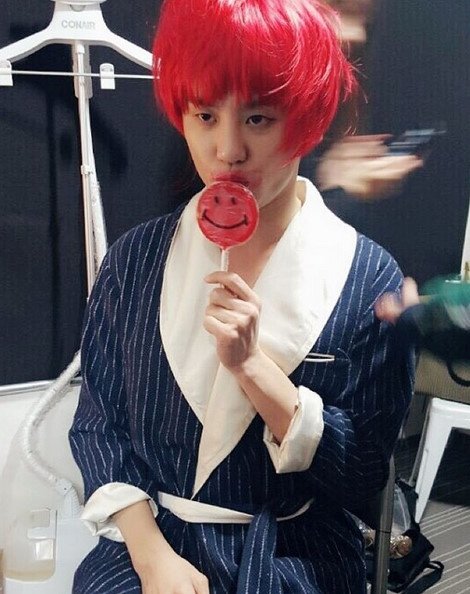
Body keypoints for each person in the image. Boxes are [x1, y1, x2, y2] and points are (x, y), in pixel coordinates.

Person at [69, 1, 414, 592]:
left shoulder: (366, 275)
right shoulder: (134, 260)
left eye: (258, 118)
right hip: (150, 546)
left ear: (306, 118)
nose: (227, 149)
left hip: (293, 556)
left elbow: (363, 474)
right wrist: (152, 560)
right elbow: (99, 427)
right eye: (205, 115)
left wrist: (255, 369)